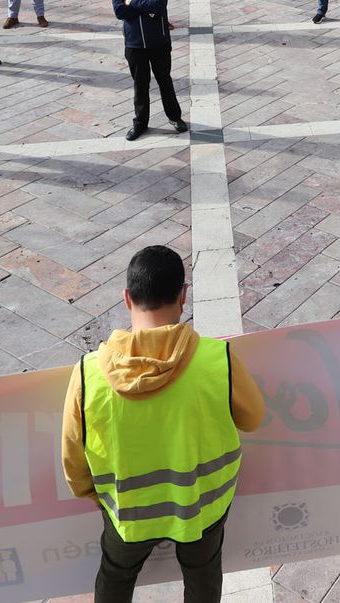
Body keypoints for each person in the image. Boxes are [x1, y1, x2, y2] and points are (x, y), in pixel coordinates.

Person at [61, 244, 262, 602]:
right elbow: (253, 418)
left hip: (128, 511)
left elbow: (73, 456)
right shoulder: (218, 359)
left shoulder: (88, 373)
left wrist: (93, 495)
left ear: (127, 298)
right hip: (202, 506)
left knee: (116, 575)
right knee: (202, 573)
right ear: (183, 296)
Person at [112, 0, 188, 139]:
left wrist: (132, 3)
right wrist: (142, 7)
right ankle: (140, 123)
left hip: (158, 40)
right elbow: (119, 11)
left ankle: (174, 116)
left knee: (165, 80)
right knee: (140, 83)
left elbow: (158, 5)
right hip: (134, 42)